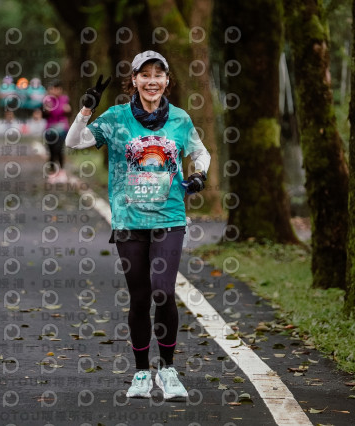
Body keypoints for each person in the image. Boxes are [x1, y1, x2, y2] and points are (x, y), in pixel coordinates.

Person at [66, 51, 211, 400]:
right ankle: (142, 372)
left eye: (158, 74)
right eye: (144, 75)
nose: (151, 81)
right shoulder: (116, 118)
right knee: (140, 296)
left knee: (163, 291)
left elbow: (201, 152)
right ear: (134, 80)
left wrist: (199, 175)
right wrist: (86, 110)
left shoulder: (179, 118)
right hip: (129, 220)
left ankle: (169, 369)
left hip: (169, 218)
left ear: (166, 81)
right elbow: (73, 142)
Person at [42, 80, 71, 184]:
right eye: (53, 88)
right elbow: (44, 115)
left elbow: (69, 113)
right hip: (50, 128)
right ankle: (52, 172)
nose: (55, 91)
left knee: (59, 149)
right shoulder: (47, 100)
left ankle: (62, 172)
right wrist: (46, 110)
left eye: (57, 88)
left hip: (62, 128)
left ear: (61, 89)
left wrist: (68, 110)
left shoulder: (65, 99)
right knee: (51, 151)